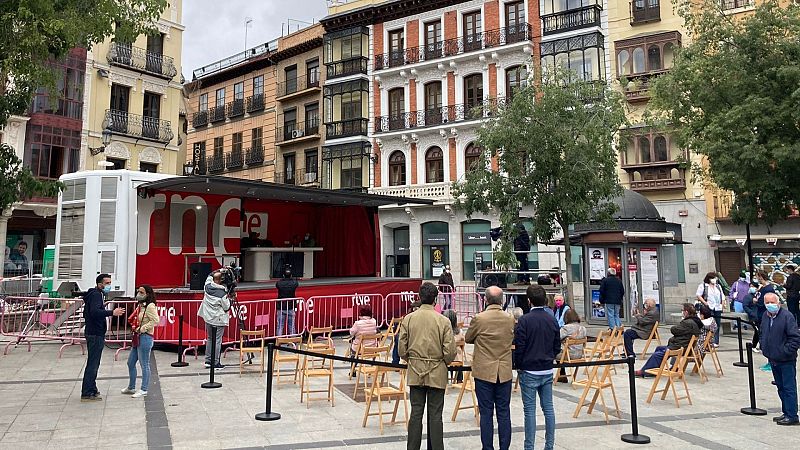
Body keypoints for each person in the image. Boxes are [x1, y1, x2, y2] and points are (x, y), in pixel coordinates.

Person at [398, 282, 456, 450]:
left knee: (416, 413)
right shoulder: (443, 321)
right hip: (437, 370)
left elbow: (402, 349)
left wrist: (412, 358)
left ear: (419, 297)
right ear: (436, 299)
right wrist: (443, 361)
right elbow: (450, 352)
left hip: (416, 370)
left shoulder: (408, 319)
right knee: (435, 415)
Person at [464, 286, 515, 450]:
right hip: (504, 370)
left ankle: (487, 447)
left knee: (486, 413)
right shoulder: (509, 318)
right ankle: (504, 447)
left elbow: (468, 337)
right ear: (502, 300)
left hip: (484, 370)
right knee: (504, 412)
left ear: (485, 300)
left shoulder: (479, 318)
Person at [514, 284, 560, 450]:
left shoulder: (524, 320)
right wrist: (551, 357)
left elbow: (519, 346)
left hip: (529, 369)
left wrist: (519, 365)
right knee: (548, 409)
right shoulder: (552, 319)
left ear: (529, 301)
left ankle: (529, 446)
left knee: (530, 412)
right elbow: (557, 345)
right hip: (546, 368)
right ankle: (549, 445)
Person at [81, 274, 125, 401]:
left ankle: (92, 388)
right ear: (100, 284)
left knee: (94, 362)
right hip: (95, 333)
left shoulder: (96, 295)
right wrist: (112, 312)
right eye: (107, 283)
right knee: (93, 363)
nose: (109, 285)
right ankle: (87, 391)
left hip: (95, 332)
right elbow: (94, 312)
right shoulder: (95, 295)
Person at [761, 293, 800, 425]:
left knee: (789, 387)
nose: (770, 305)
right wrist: (764, 347)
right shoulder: (765, 316)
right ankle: (786, 412)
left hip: (786, 359)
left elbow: (795, 338)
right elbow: (763, 333)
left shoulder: (787, 316)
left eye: (772, 302)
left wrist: (785, 351)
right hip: (773, 358)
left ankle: (792, 415)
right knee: (780, 387)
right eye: (767, 302)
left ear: (778, 302)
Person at [636, 303, 702, 376]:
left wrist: (676, 327)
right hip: (685, 346)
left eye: (682, 310)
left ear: (686, 312)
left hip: (681, 347)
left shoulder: (688, 322)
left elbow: (674, 330)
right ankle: (654, 370)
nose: (682, 312)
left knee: (657, 355)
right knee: (659, 348)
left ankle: (644, 372)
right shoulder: (695, 321)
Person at [123, 285, 159, 398]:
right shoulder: (141, 305)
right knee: (130, 362)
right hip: (137, 336)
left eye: (141, 292)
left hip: (145, 337)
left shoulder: (150, 306)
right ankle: (131, 386)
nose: (139, 294)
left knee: (144, 364)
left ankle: (144, 389)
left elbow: (155, 320)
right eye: (138, 291)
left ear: (147, 294)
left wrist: (143, 328)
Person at [198, 271, 230, 369]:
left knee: (210, 339)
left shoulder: (207, 286)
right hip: (218, 320)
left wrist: (220, 270)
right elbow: (226, 307)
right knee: (217, 341)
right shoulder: (222, 293)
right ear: (221, 280)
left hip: (208, 318)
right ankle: (216, 362)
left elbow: (209, 275)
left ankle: (208, 361)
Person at [696, 271, 725, 346]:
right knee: (709, 324)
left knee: (717, 324)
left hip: (717, 307)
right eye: (713, 278)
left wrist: (722, 304)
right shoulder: (703, 286)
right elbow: (698, 295)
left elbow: (722, 295)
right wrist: (705, 303)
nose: (714, 279)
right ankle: (709, 340)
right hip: (708, 307)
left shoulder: (718, 286)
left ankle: (716, 341)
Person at [442, 309, 466, 383]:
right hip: (458, 359)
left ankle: (444, 379)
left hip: (445, 358)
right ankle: (459, 379)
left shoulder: (443, 333)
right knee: (458, 355)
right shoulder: (460, 332)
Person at [275, 267, 299, 336]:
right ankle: (293, 342)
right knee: (291, 326)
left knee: (280, 326)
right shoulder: (294, 283)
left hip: (281, 307)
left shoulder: (279, 283)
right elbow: (296, 284)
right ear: (291, 275)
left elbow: (277, 285)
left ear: (283, 275)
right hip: (291, 306)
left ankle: (278, 342)